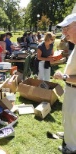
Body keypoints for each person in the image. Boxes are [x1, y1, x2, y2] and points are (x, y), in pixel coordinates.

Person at [53, 13, 76, 153]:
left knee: (73, 117)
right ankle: (68, 135)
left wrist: (64, 76)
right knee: (67, 114)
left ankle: (72, 147)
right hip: (70, 89)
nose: (63, 32)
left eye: (67, 28)